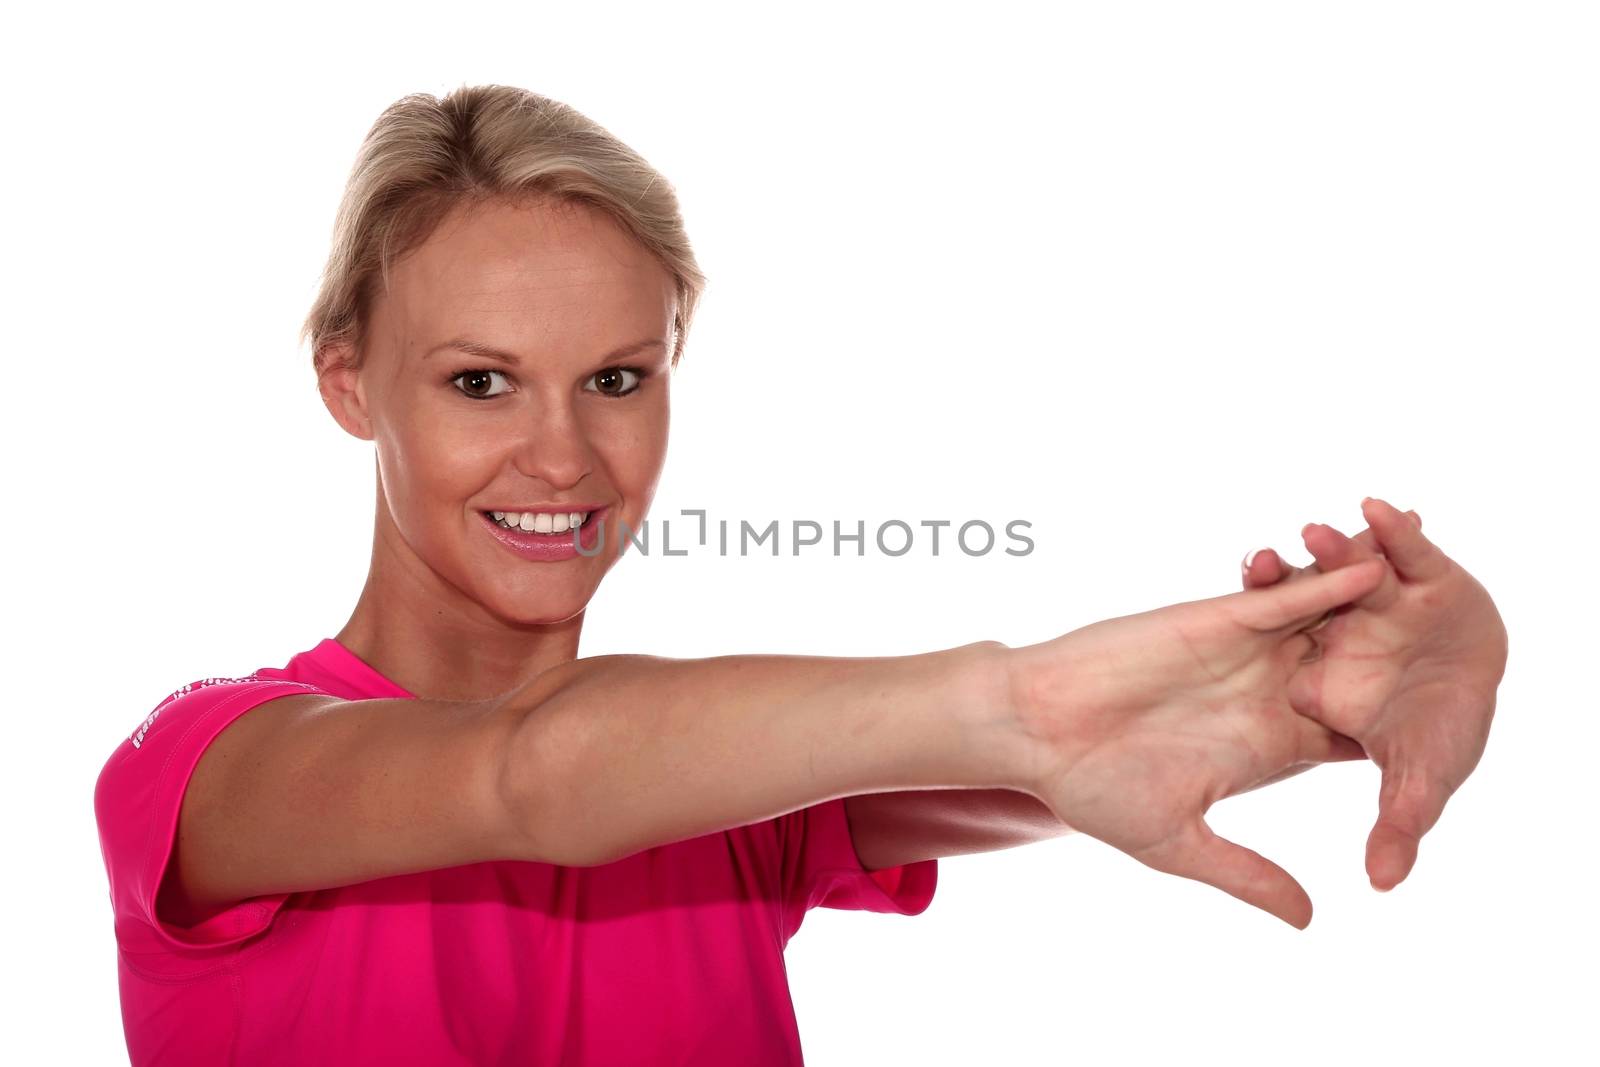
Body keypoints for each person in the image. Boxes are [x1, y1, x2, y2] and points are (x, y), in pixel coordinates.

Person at [92, 84, 1509, 1066]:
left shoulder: (721, 787)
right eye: (479, 382)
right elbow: (526, 778)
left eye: (617, 378)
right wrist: (1004, 698)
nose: (564, 453)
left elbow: (1093, 745)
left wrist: (1323, 684)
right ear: (350, 384)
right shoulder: (207, 771)